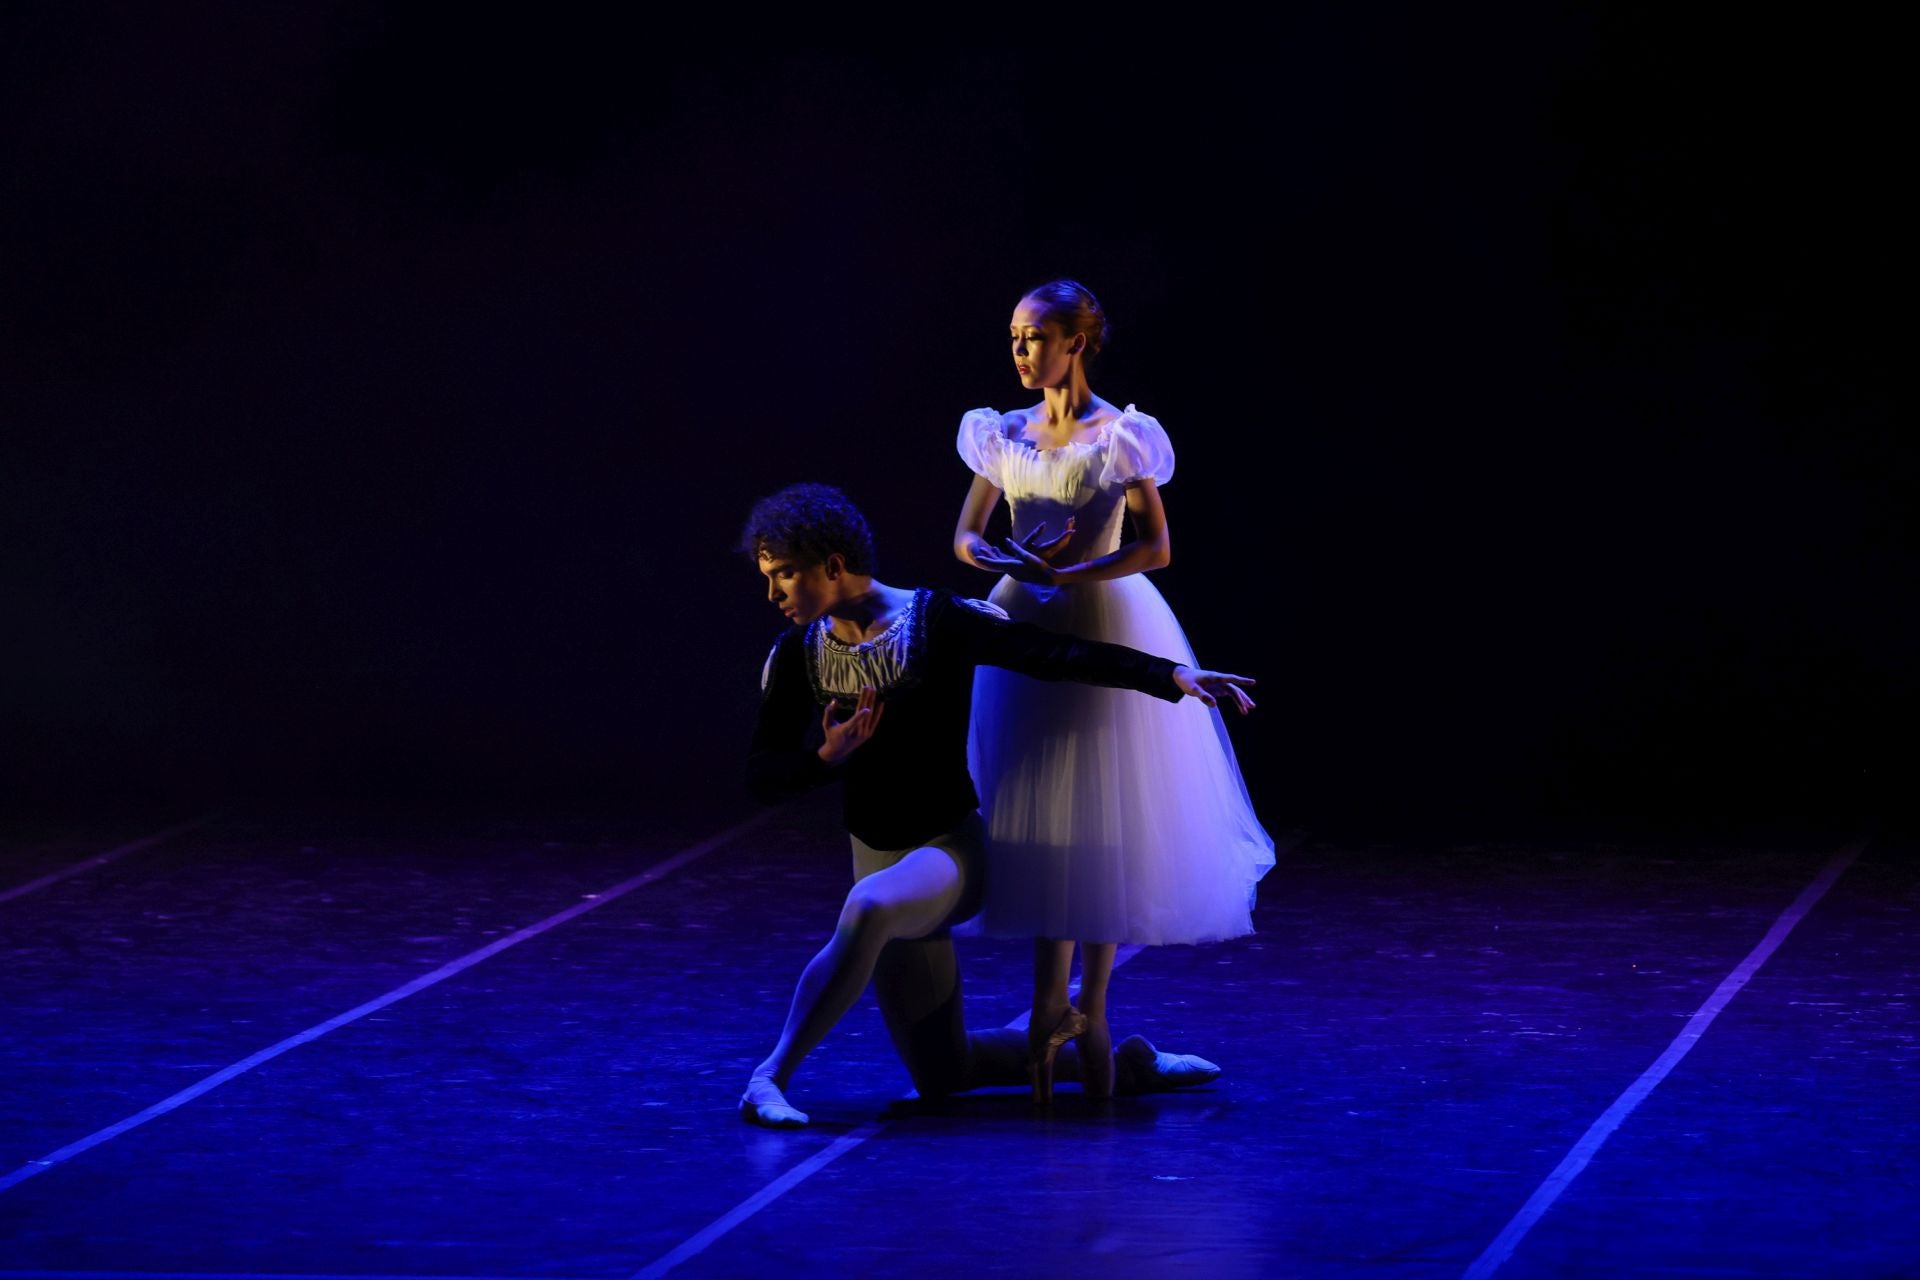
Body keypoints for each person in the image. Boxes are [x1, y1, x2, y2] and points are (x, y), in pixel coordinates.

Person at [740, 483, 1256, 1126]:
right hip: (876, 860)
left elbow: (1054, 655)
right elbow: (763, 775)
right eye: (769, 578)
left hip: (946, 855)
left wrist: (1169, 676)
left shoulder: (937, 620)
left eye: (784, 575)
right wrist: (824, 759)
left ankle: (769, 1076)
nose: (774, 594)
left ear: (832, 565)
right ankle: (1129, 1063)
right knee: (943, 1072)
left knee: (868, 905)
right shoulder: (799, 656)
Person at [953, 279, 1276, 1099]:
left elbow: (1157, 548)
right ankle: (1043, 1008)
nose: (1021, 351)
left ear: (1076, 343)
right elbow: (966, 535)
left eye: (1035, 337)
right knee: (1038, 808)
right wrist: (1003, 562)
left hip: (1104, 615)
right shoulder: (1004, 433)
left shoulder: (1121, 436)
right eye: (1015, 336)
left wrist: (1075, 570)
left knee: (1101, 804)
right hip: (1023, 619)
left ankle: (1090, 1009)